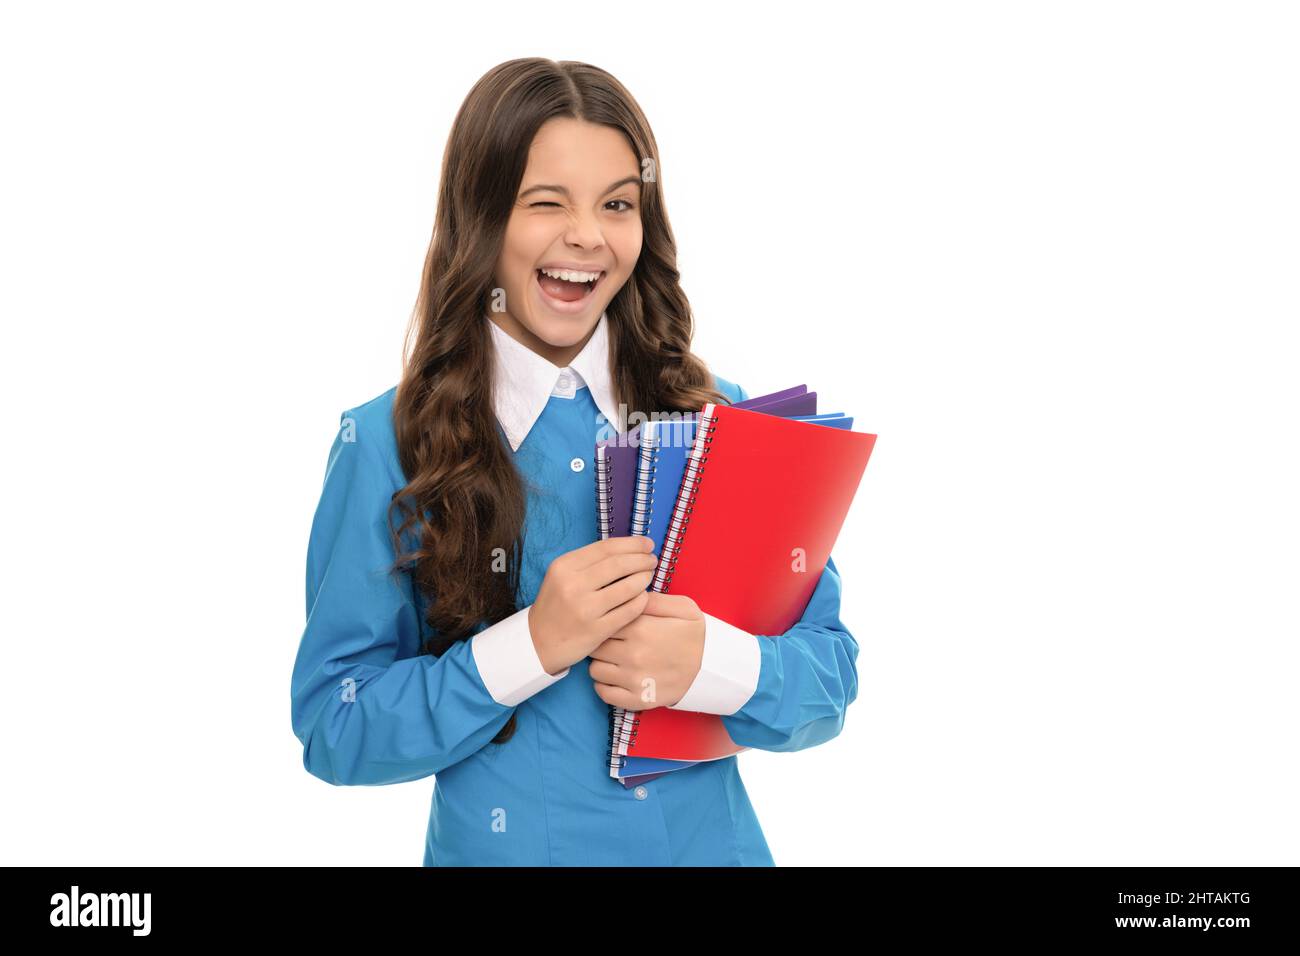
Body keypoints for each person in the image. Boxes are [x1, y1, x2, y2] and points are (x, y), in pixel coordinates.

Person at [290, 57, 858, 866]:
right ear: (480, 218)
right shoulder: (386, 442)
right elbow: (335, 725)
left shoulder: (718, 420)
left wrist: (715, 665)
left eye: (617, 204)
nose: (587, 235)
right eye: (544, 202)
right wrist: (530, 645)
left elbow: (829, 679)